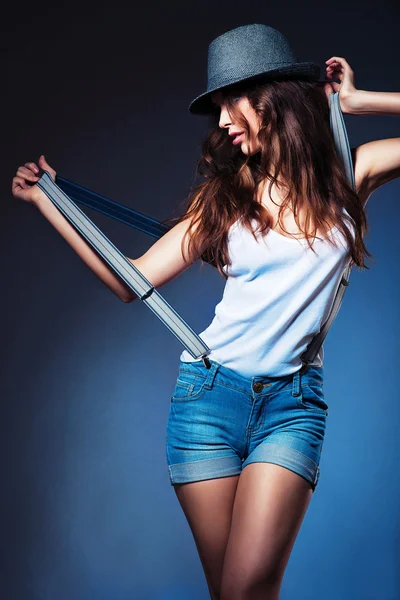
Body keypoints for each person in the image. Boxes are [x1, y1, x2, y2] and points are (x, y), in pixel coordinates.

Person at [11, 22, 400, 600]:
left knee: (248, 587)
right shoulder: (224, 198)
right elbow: (131, 281)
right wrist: (48, 202)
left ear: (274, 96)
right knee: (232, 595)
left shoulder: (351, 173)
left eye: (230, 102)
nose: (221, 121)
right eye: (216, 107)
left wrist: (361, 101)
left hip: (292, 407)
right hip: (207, 404)